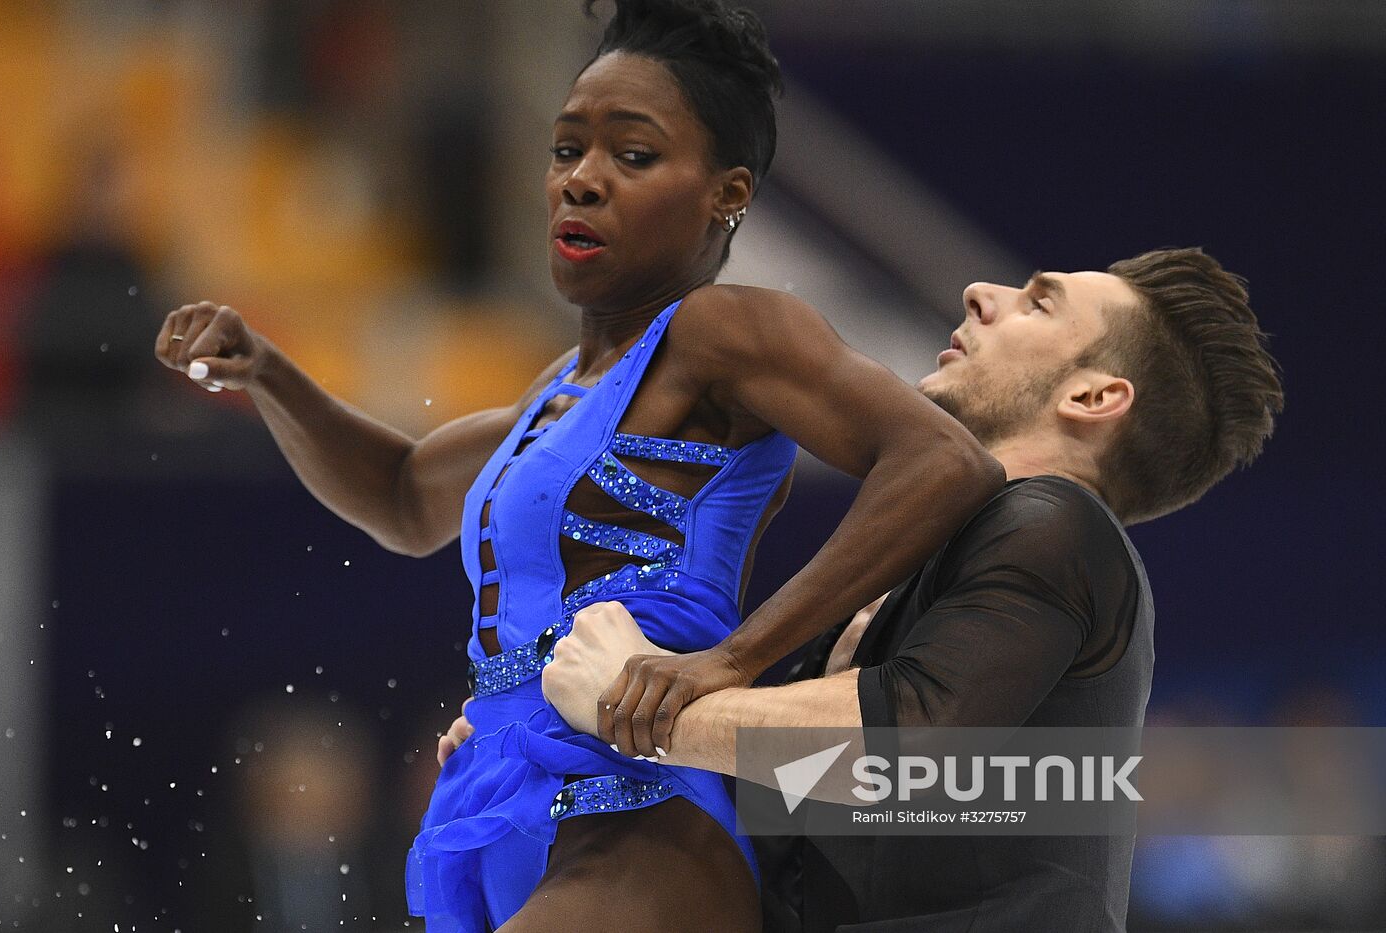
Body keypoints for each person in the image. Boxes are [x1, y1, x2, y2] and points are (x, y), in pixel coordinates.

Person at [153, 1, 1002, 931]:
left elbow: (942, 459)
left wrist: (736, 658)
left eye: (632, 155)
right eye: (566, 150)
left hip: (637, 808)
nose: (582, 180)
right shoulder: (554, 391)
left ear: (727, 193)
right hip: (503, 793)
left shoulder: (721, 331)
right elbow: (401, 497)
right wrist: (269, 375)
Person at [441, 247, 1286, 930]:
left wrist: (634, 705)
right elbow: (803, 810)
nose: (981, 293)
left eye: (1038, 302)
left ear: (1093, 395)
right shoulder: (924, 580)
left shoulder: (1059, 524)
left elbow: (906, 744)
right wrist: (538, 734)